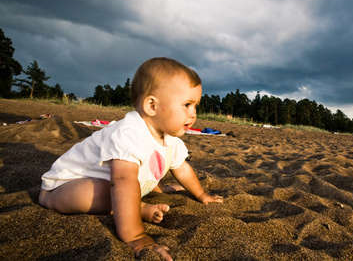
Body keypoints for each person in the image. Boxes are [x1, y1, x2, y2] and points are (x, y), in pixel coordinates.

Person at [39, 57, 223, 260]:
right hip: (64, 186)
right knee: (105, 189)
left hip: (115, 186)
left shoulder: (170, 138)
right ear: (151, 106)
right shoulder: (129, 133)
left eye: (196, 105)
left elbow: (182, 168)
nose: (193, 113)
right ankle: (136, 209)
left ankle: (137, 206)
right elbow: (122, 182)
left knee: (133, 184)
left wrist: (201, 194)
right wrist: (136, 236)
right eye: (186, 105)